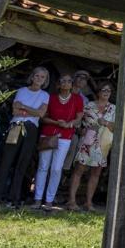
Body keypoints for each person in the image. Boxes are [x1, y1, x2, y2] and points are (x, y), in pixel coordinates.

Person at [0, 67, 49, 208]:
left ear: (45, 80)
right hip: (16, 126)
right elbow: (15, 110)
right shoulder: (21, 91)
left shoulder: (44, 95)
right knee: (6, 161)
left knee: (22, 163)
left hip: (31, 129)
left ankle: (14, 198)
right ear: (32, 77)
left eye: (42, 77)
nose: (39, 79)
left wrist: (24, 108)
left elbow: (40, 114)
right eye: (37, 76)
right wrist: (31, 111)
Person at [33, 72, 84, 211]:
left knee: (56, 168)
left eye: (68, 81)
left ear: (72, 84)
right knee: (43, 166)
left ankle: (49, 200)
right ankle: (37, 199)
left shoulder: (77, 99)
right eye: (63, 81)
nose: (66, 83)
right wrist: (57, 122)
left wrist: (70, 123)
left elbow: (79, 117)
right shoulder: (51, 98)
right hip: (48, 135)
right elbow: (43, 117)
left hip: (65, 136)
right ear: (58, 84)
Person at [65, 82, 116, 211]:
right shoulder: (88, 106)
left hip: (104, 143)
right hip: (88, 141)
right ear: (98, 92)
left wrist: (105, 123)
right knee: (79, 170)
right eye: (103, 89)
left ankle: (88, 202)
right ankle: (71, 201)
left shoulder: (114, 108)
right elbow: (84, 123)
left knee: (96, 173)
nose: (106, 92)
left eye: (108, 90)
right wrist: (103, 124)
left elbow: (116, 127)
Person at [62, 69, 93, 175]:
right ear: (74, 79)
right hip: (61, 128)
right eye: (79, 77)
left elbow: (85, 118)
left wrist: (83, 129)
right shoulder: (63, 93)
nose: (81, 80)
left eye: (85, 79)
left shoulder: (85, 100)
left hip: (75, 132)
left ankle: (67, 175)